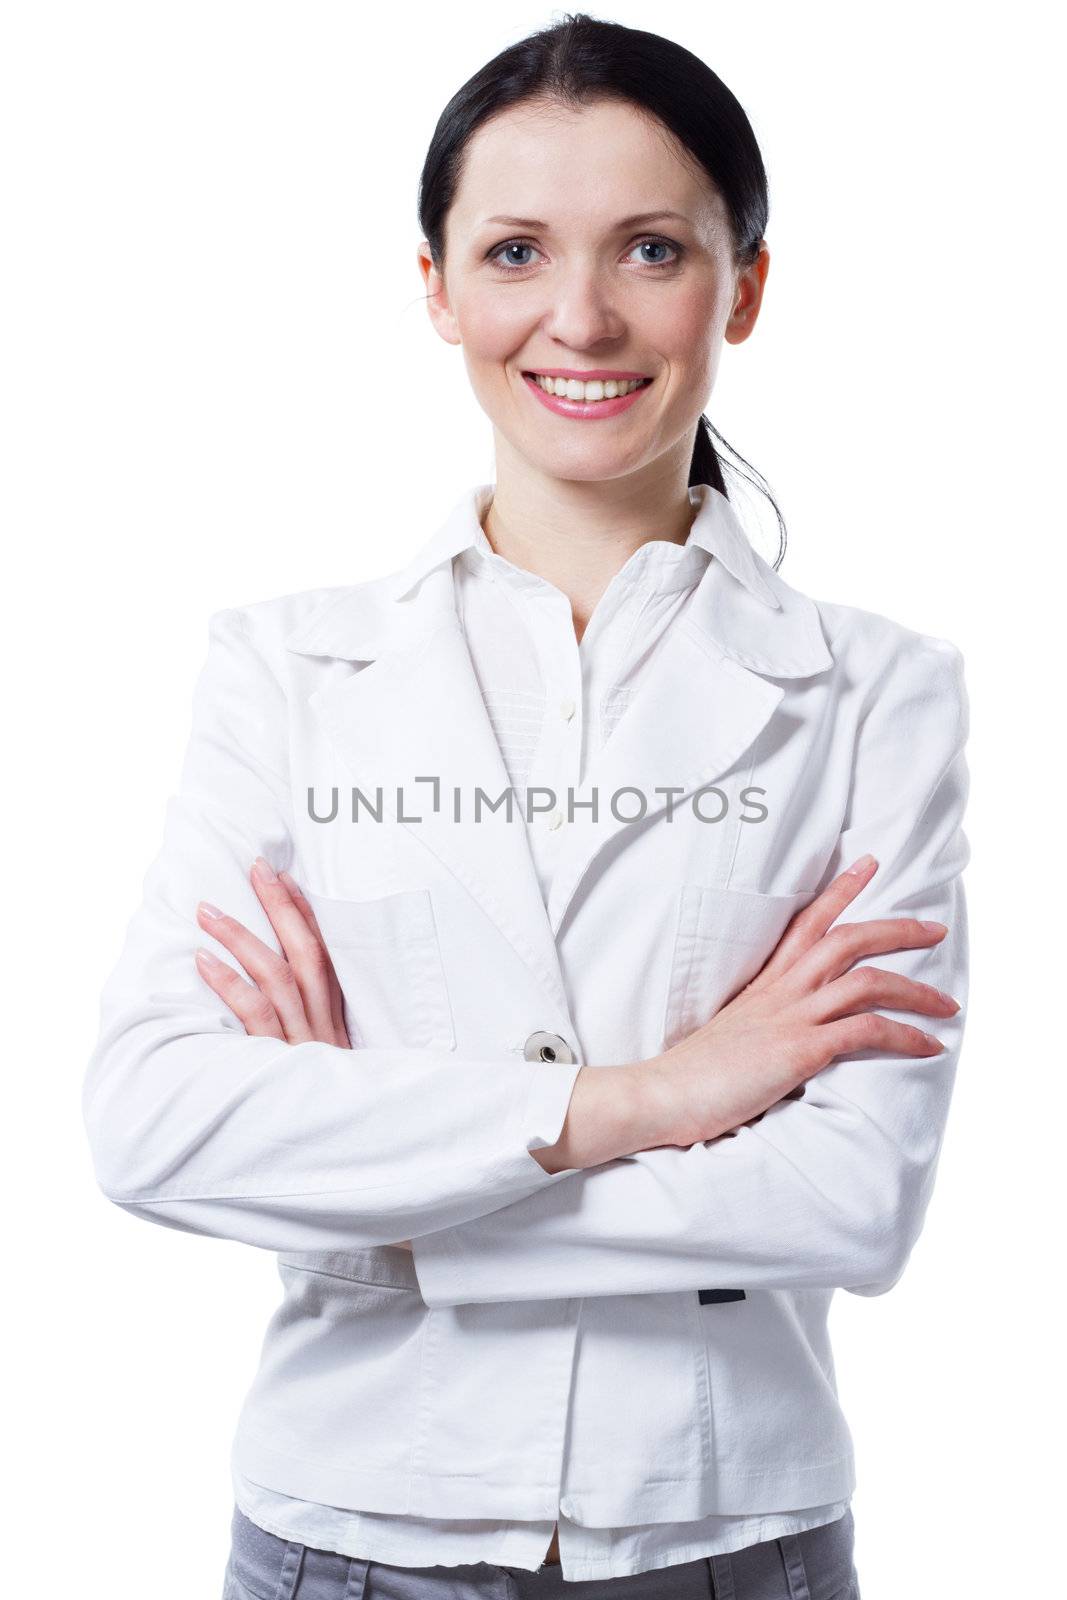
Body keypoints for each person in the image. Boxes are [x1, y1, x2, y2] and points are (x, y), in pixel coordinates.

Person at [82, 13, 969, 1599]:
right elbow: (152, 1120)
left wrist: (375, 1219)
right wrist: (667, 1095)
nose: (581, 317)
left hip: (728, 1536)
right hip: (345, 1534)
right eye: (512, 252)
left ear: (744, 286)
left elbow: (853, 1198)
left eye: (648, 249)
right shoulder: (287, 672)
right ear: (432, 286)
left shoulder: (876, 695)